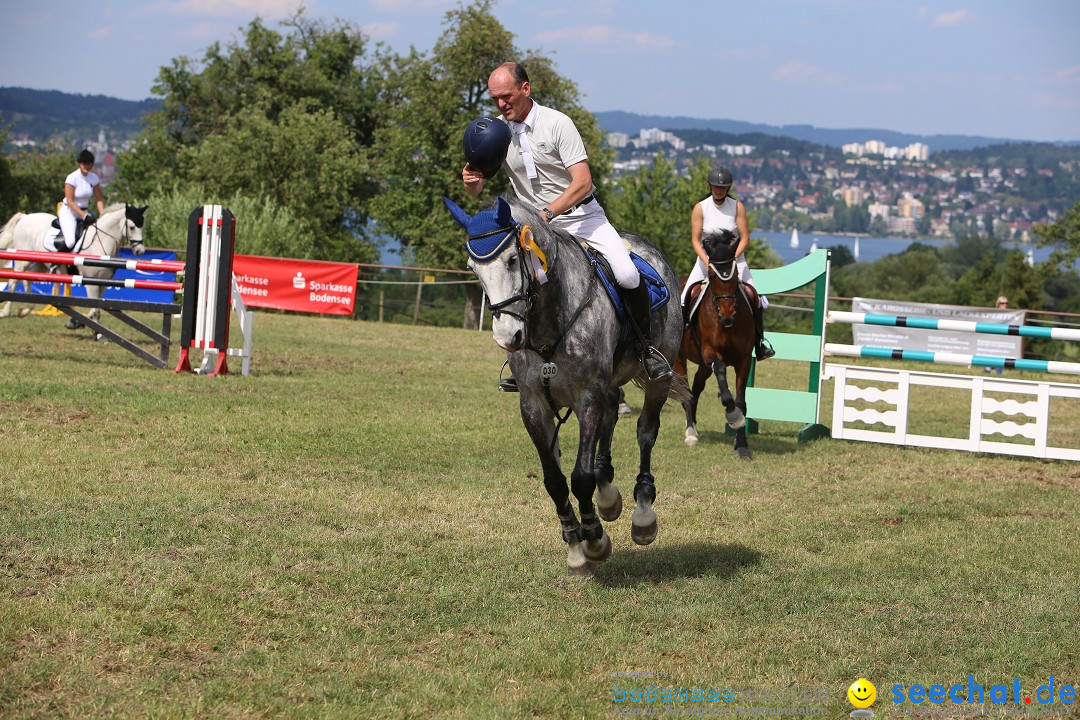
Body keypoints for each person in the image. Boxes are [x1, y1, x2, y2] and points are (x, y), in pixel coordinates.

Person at [462, 61, 671, 387]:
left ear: (525, 89)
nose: (501, 105)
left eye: (507, 96)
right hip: (532, 231)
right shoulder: (497, 133)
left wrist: (548, 212)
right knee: (516, 283)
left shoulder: (557, 124)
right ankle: (520, 363)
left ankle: (646, 350)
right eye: (495, 99)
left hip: (582, 219)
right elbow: (477, 186)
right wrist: (471, 181)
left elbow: (583, 183)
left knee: (628, 273)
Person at [680, 165, 774, 360]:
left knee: (754, 297)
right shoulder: (701, 208)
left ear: (728, 188)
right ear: (711, 186)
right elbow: (696, 241)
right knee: (684, 298)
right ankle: (679, 338)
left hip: (735, 262)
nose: (719, 190)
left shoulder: (737, 207)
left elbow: (745, 238)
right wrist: (708, 261)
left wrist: (732, 259)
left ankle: (759, 344)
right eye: (716, 187)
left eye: (723, 187)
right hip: (707, 261)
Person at [54, 149, 105, 253]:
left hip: (84, 212)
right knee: (70, 242)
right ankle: (55, 263)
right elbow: (70, 201)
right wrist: (84, 216)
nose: (87, 166)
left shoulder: (94, 178)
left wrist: (103, 215)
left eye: (89, 164)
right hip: (69, 212)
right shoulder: (72, 178)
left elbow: (99, 200)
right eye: (84, 164)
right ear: (79, 164)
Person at [985, 296, 1009, 374]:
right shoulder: (993, 314)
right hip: (994, 340)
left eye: (1006, 303)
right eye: (1002, 303)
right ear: (998, 304)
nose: (1005, 305)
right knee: (997, 357)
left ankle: (990, 369)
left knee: (1001, 357)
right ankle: (990, 369)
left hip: (1004, 340)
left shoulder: (1011, 315)